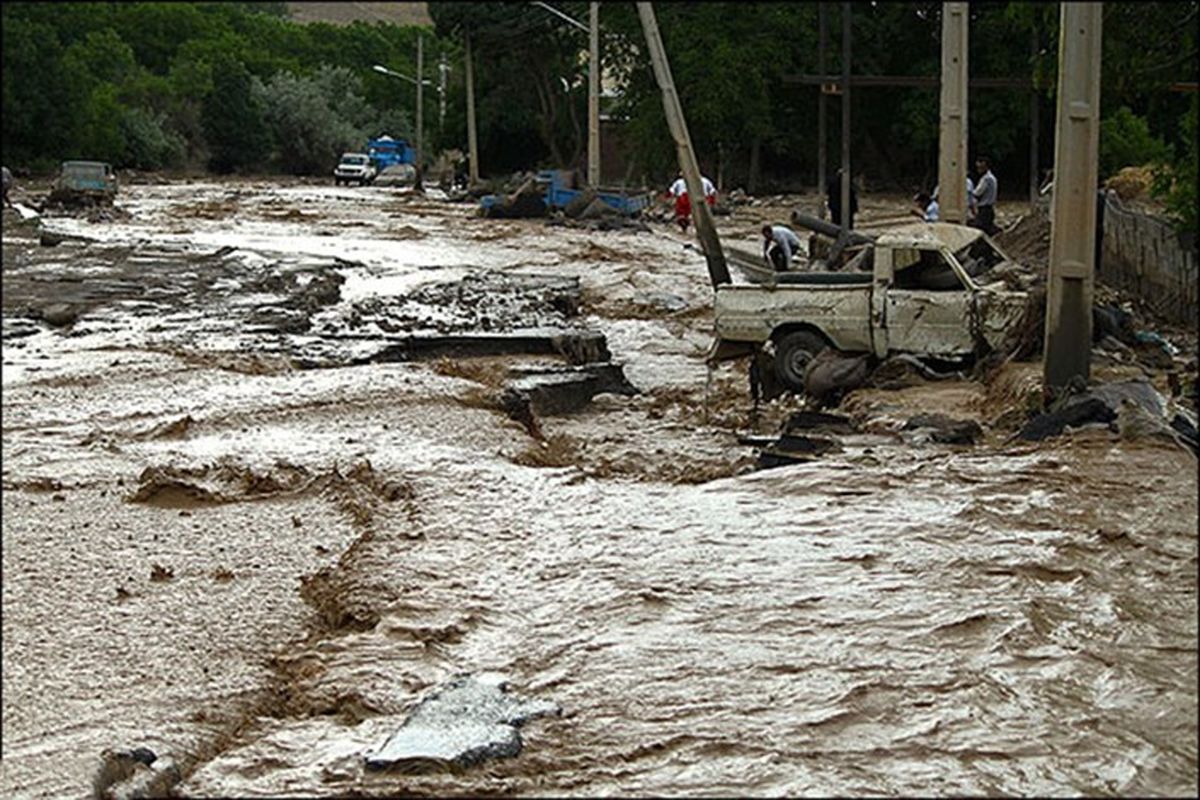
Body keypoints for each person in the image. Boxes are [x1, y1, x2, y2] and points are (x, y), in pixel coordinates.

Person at [970, 156, 998, 235]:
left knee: (979, 229)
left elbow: (977, 193)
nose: (978, 170)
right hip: (989, 209)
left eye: (980, 167)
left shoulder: (986, 179)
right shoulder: (992, 178)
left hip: (984, 209)